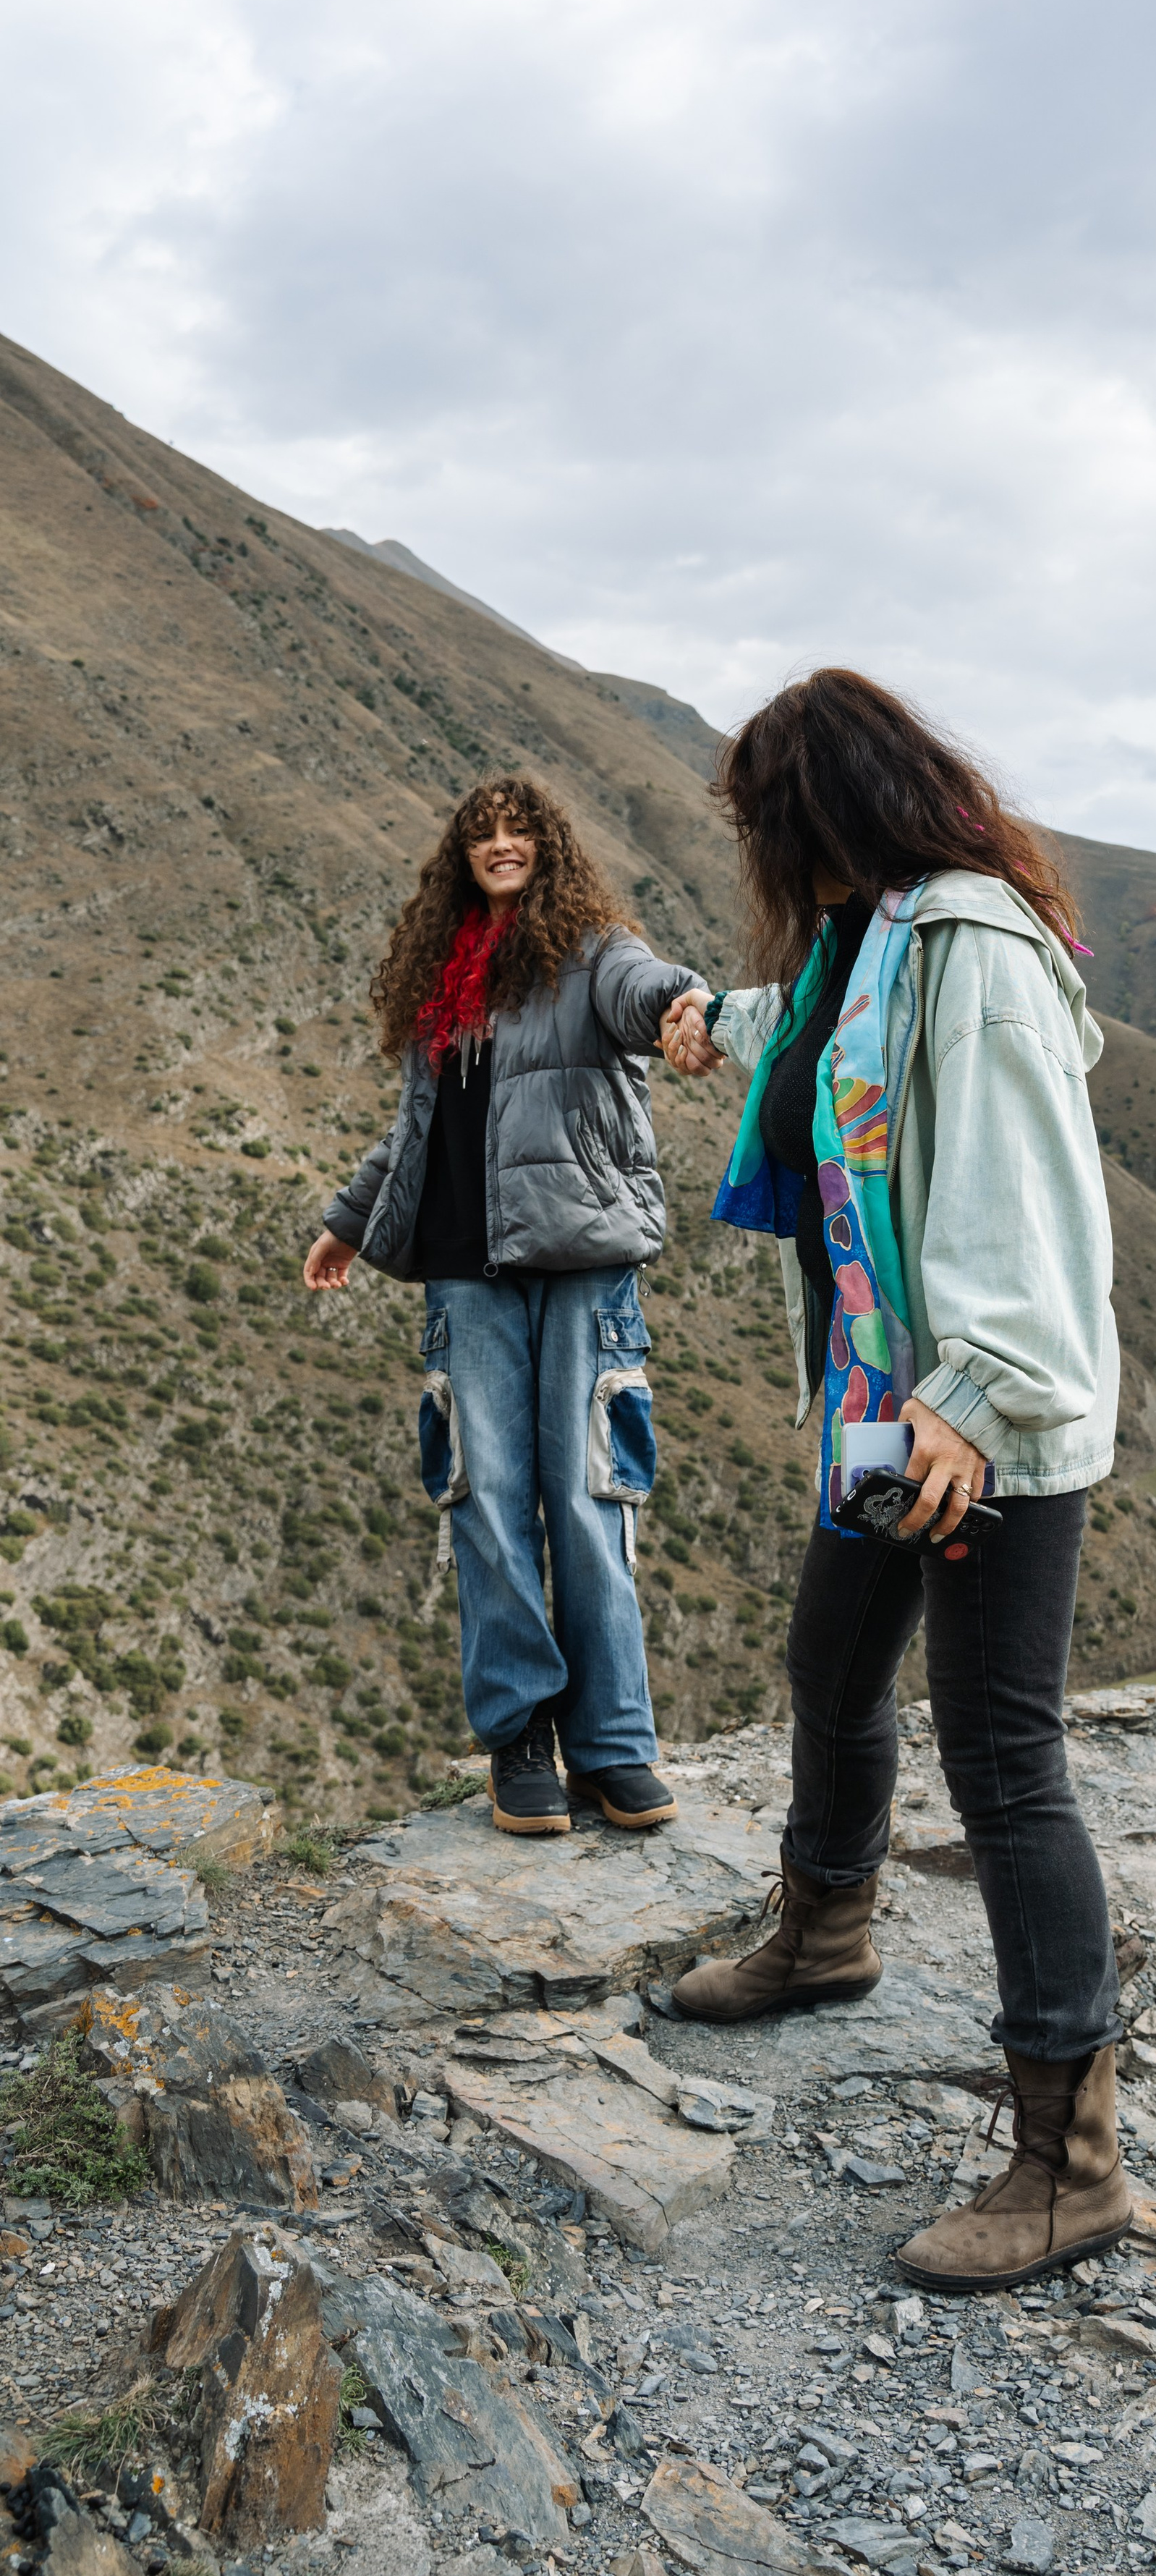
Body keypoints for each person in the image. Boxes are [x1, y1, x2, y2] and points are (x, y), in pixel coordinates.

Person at [658, 669, 1130, 2295]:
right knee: (834, 1662)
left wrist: (975, 1395)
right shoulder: (870, 939)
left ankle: (1071, 2165)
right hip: (883, 1403)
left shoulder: (973, 944)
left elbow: (1018, 1185)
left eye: (759, 819)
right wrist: (705, 1022)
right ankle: (824, 1935)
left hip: (971, 1424)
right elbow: (812, 1043)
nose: (755, 850)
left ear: (821, 809)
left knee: (1002, 1757)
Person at [302, 775, 710, 1841]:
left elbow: (644, 989)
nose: (501, 844)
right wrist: (348, 1221)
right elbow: (420, 1129)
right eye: (482, 832)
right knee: (485, 1498)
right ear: (461, 855)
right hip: (463, 1268)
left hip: (583, 1261)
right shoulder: (445, 977)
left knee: (588, 1494)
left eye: (519, 828)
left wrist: (681, 1006)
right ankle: (521, 1739)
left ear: (549, 846)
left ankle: (613, 1746)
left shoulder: (595, 950)